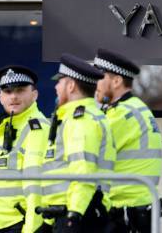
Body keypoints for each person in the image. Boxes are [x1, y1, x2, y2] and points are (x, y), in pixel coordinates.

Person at [38, 53, 115, 233]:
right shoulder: (72, 118)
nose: (56, 87)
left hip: (79, 215)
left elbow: (83, 172)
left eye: (60, 82)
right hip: (67, 213)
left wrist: (74, 216)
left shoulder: (81, 120)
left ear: (71, 86)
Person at [93, 49, 162, 233]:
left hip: (125, 210)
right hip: (136, 208)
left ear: (116, 81)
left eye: (99, 77)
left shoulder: (122, 114)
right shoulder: (135, 108)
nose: (94, 84)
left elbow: (88, 151)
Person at [0, 65, 51, 233]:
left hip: (23, 225)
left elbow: (37, 185)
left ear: (34, 95)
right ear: (0, 97)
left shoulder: (36, 128)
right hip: (4, 225)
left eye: (20, 90)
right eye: (7, 91)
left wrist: (31, 228)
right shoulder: (4, 127)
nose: (13, 96)